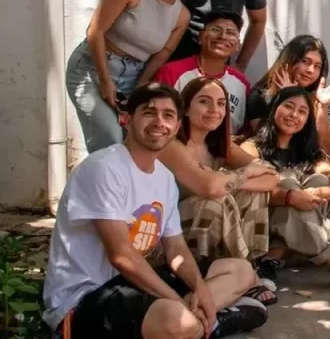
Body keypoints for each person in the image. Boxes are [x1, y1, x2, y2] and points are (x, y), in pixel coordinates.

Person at [42, 83, 268, 339]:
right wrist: (177, 301)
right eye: (149, 112)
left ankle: (200, 318)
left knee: (240, 270)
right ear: (126, 119)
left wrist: (200, 290)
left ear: (177, 127)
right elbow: (122, 257)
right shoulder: (104, 168)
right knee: (177, 319)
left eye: (168, 115)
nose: (159, 121)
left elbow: (176, 249)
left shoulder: (163, 177)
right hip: (86, 297)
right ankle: (215, 323)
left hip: (133, 283)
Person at [240, 86, 330, 296]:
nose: (294, 115)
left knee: (317, 179)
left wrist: (325, 188)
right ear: (274, 108)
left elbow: (329, 175)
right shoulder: (251, 147)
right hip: (261, 230)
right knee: (286, 183)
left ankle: (271, 260)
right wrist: (291, 196)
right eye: (288, 106)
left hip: (297, 231)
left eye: (302, 112)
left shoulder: (308, 149)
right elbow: (254, 188)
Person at [158, 77, 280, 305]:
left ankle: (246, 267)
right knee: (218, 199)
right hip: (169, 236)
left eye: (222, 103)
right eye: (204, 101)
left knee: (247, 193)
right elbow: (209, 187)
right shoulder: (172, 145)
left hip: (202, 228)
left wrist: (229, 181)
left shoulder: (218, 144)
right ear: (185, 108)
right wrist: (237, 177)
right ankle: (248, 277)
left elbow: (271, 178)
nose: (215, 110)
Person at [65, 0, 198, 153]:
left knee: (133, 140)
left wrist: (141, 86)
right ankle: (94, 183)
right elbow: (95, 31)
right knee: (109, 137)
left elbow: (161, 54)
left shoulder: (181, 16)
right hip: (91, 68)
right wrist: (105, 79)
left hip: (132, 77)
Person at [242, 35, 330, 153]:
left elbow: (326, 148)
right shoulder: (261, 95)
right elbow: (268, 141)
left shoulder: (321, 98)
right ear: (290, 59)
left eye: (317, 66)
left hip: (311, 163)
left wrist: (322, 107)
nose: (311, 70)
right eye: (305, 61)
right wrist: (286, 96)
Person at [153, 9, 251, 133]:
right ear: (200, 37)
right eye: (216, 30)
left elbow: (244, 130)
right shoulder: (171, 72)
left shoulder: (242, 84)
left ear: (237, 45)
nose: (223, 36)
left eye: (231, 33)